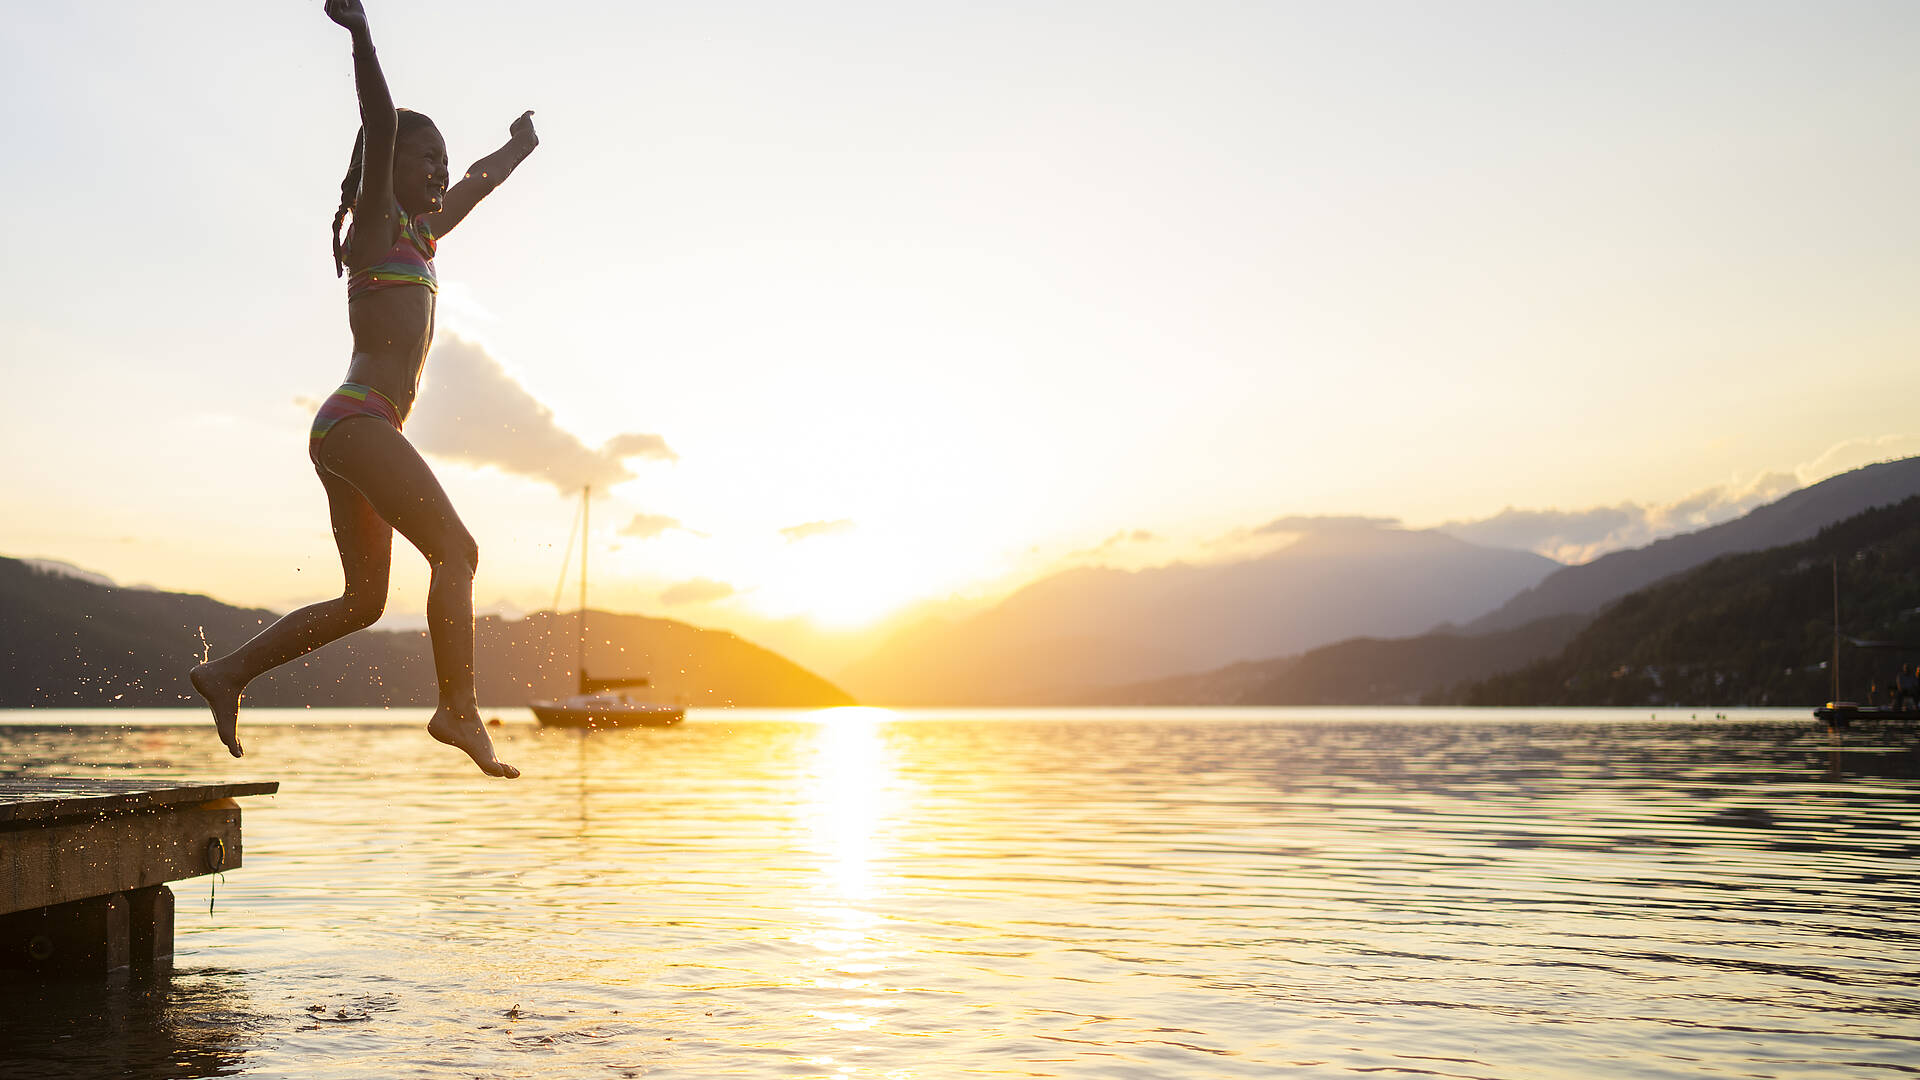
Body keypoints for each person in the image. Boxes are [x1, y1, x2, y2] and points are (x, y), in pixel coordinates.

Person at [191, 0, 538, 778]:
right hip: (360, 423)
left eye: (442, 163)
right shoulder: (377, 223)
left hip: (350, 431)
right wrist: (362, 35)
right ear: (386, 169)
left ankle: (228, 673)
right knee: (458, 550)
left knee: (364, 603)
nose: (441, 172)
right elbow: (379, 124)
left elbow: (478, 184)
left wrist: (516, 150)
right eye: (428, 159)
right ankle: (458, 709)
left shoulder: (422, 235)